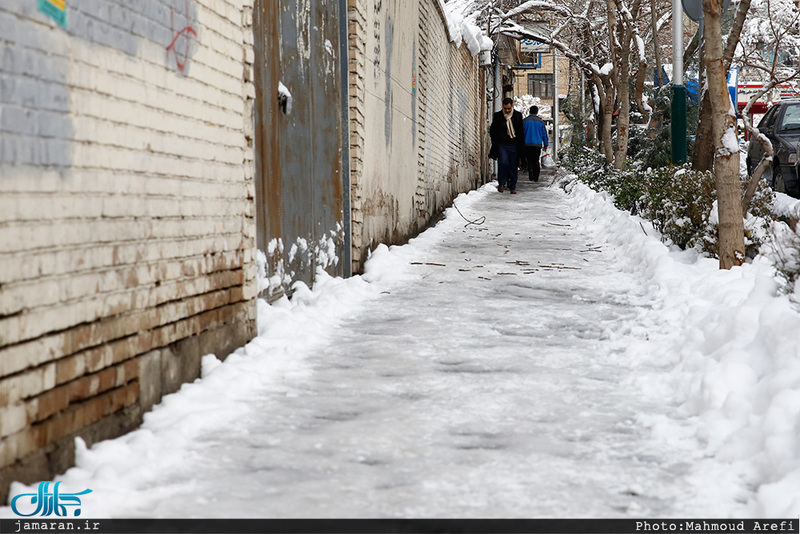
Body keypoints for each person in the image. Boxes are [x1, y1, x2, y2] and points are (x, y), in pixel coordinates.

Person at [489, 98, 524, 194]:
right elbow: (493, 130)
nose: (507, 110)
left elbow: (521, 132)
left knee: (513, 165)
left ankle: (512, 186)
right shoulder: (498, 116)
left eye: (508, 108)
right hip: (502, 145)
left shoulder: (517, 116)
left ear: (512, 105)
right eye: (505, 108)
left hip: (514, 145)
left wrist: (521, 147)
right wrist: (496, 141)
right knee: (503, 163)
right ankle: (501, 183)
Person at [522, 105, 549, 182]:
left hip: (527, 144)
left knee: (529, 159)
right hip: (537, 144)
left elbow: (521, 133)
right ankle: (536, 176)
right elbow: (544, 134)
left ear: (529, 112)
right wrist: (546, 144)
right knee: (536, 160)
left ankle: (530, 170)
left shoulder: (525, 121)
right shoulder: (540, 122)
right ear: (537, 112)